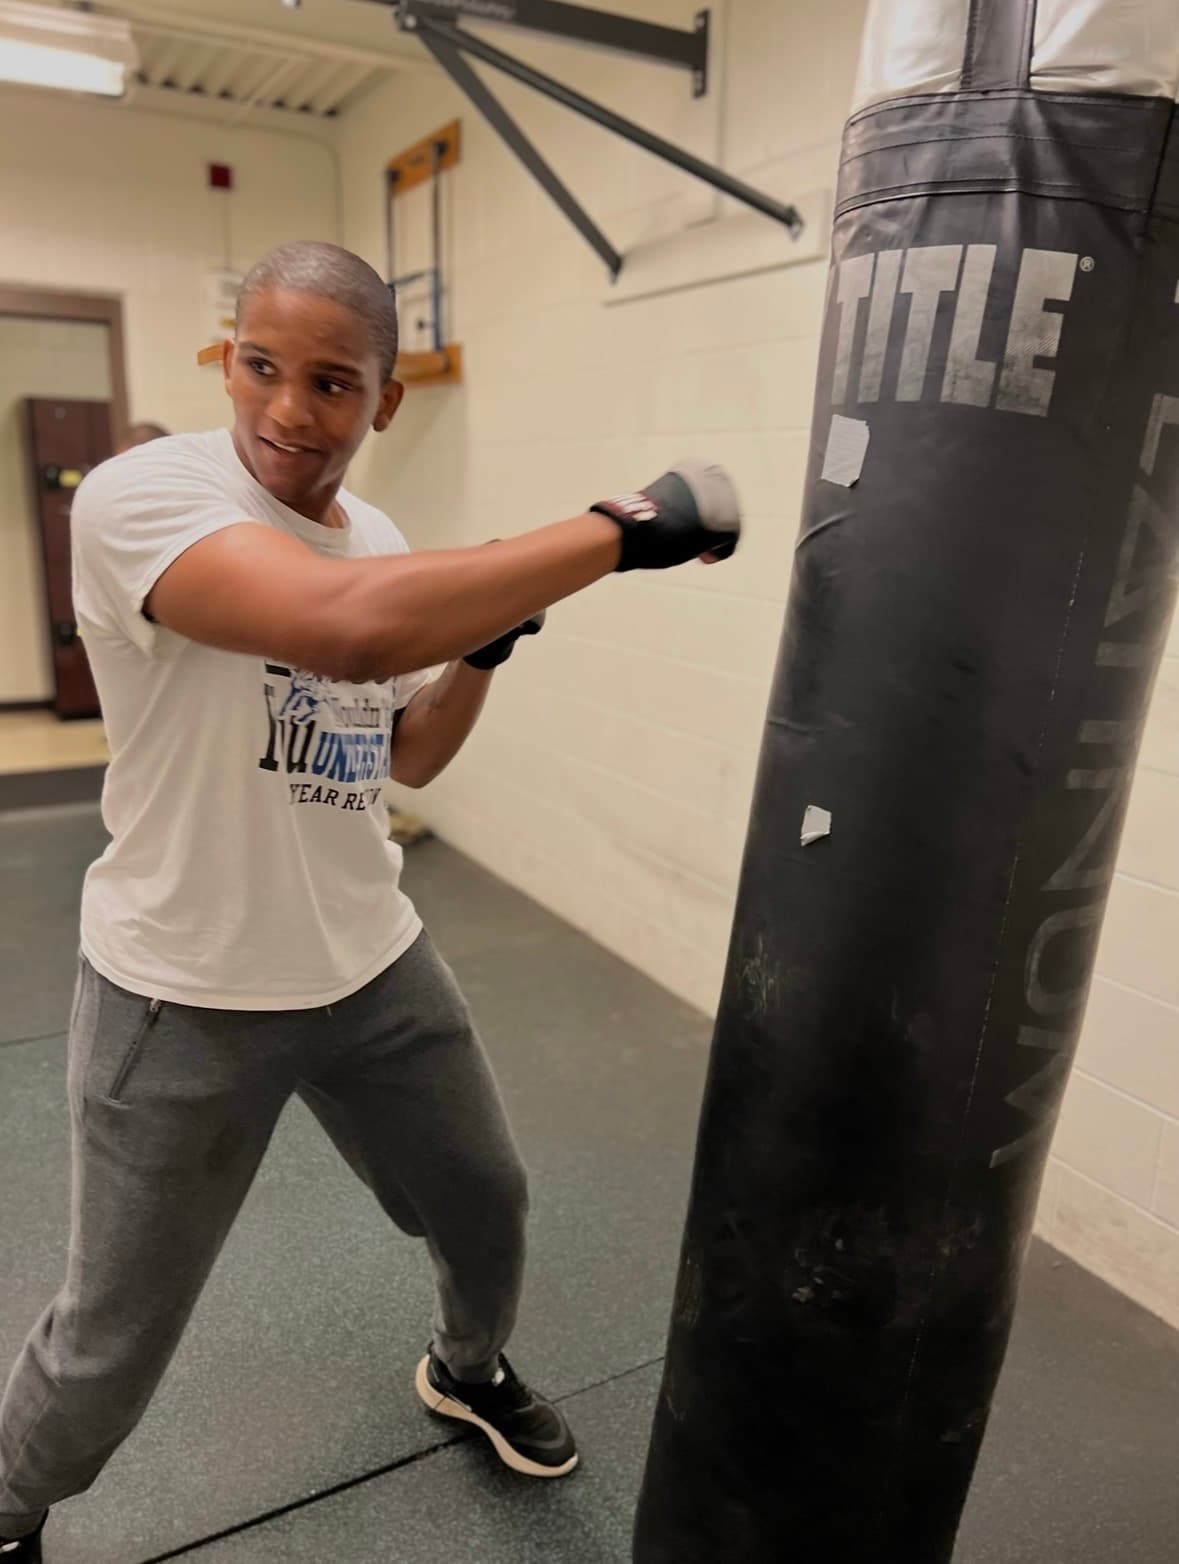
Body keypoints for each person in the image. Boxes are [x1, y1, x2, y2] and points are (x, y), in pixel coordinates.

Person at [0, 240, 740, 1560]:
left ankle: (464, 1367)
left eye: (333, 383)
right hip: (183, 990)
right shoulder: (141, 498)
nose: (290, 409)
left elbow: (403, 749)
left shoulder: (380, 541)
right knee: (109, 1343)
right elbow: (346, 628)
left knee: (485, 1201)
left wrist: (489, 652)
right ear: (228, 360)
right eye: (263, 367)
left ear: (383, 401)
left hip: (369, 966)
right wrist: (613, 533)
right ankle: (7, 1503)